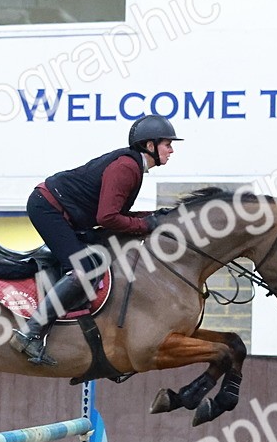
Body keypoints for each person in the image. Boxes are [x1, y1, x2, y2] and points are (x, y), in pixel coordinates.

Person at [10, 114, 182, 366]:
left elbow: (117, 215)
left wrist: (154, 216)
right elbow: (108, 217)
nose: (171, 150)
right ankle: (29, 333)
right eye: (167, 144)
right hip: (48, 208)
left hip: (64, 211)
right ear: (150, 145)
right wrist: (146, 224)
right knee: (83, 271)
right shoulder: (127, 167)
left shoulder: (133, 166)